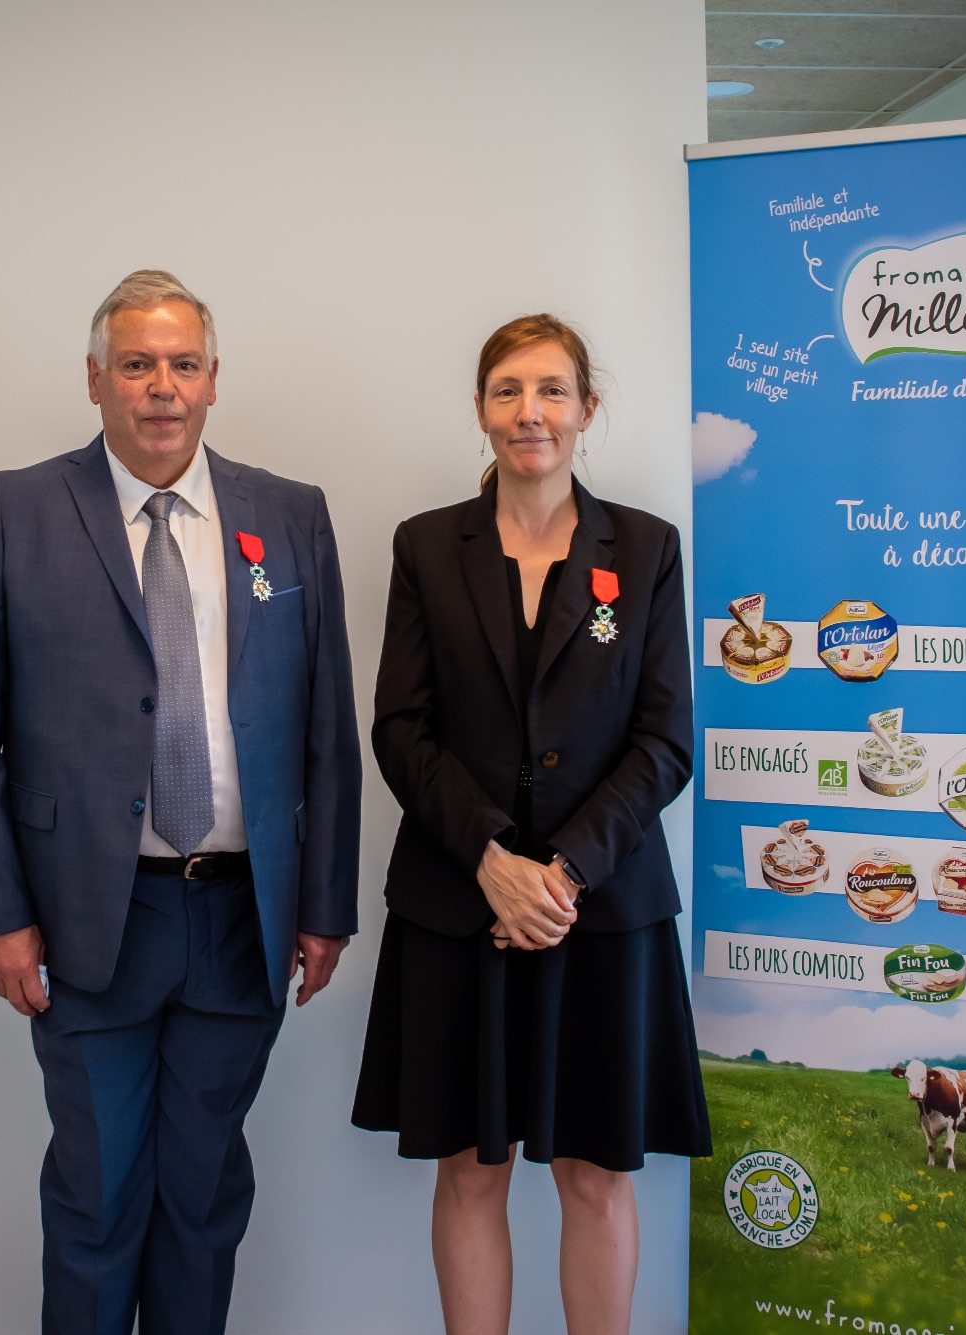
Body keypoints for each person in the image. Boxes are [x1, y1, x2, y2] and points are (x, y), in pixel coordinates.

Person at [0, 270, 360, 1335]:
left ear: (212, 380)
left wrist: (324, 907)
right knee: (97, 1193)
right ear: (94, 380)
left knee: (202, 1199)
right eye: (135, 365)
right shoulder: (20, 508)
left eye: (181, 365)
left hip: (240, 916)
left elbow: (325, 726)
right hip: (85, 919)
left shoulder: (288, 515)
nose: (160, 387)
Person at [351, 314, 709, 1335]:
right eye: (506, 390)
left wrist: (559, 875)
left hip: (601, 910)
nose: (529, 411)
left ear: (586, 409)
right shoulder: (427, 545)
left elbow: (664, 741)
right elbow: (400, 728)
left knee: (595, 1174)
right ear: (480, 410)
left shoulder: (645, 548)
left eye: (551, 390)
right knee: (472, 1169)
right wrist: (492, 863)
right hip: (457, 905)